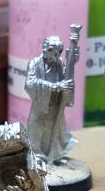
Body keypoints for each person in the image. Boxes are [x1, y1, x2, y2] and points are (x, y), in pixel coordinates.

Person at [25, 36, 77, 164]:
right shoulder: (34, 63)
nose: (56, 54)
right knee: (37, 129)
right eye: (52, 50)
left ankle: (53, 155)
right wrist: (55, 86)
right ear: (45, 49)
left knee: (53, 128)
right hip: (41, 103)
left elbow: (66, 78)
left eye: (58, 51)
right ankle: (36, 155)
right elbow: (30, 83)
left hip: (55, 102)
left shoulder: (59, 63)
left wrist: (72, 62)